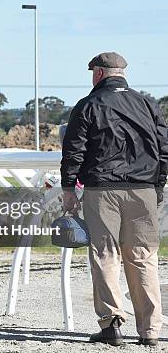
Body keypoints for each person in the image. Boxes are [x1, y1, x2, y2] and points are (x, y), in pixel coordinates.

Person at [61, 52, 166, 347]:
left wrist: (69, 188)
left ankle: (111, 325)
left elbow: (74, 151)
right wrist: (158, 184)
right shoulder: (148, 104)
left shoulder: (88, 105)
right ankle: (150, 330)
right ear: (122, 73)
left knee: (105, 255)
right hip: (143, 190)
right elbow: (164, 147)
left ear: (98, 74)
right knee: (144, 258)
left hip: (102, 191)